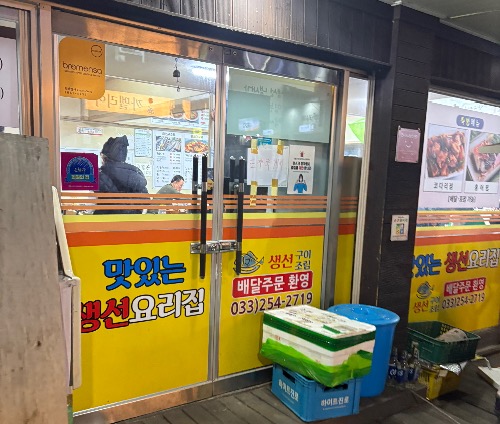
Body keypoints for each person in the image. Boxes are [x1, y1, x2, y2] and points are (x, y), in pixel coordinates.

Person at [95, 135, 148, 214]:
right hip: (133, 219)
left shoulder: (100, 175)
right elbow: (145, 202)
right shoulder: (136, 174)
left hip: (105, 219)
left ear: (104, 157)